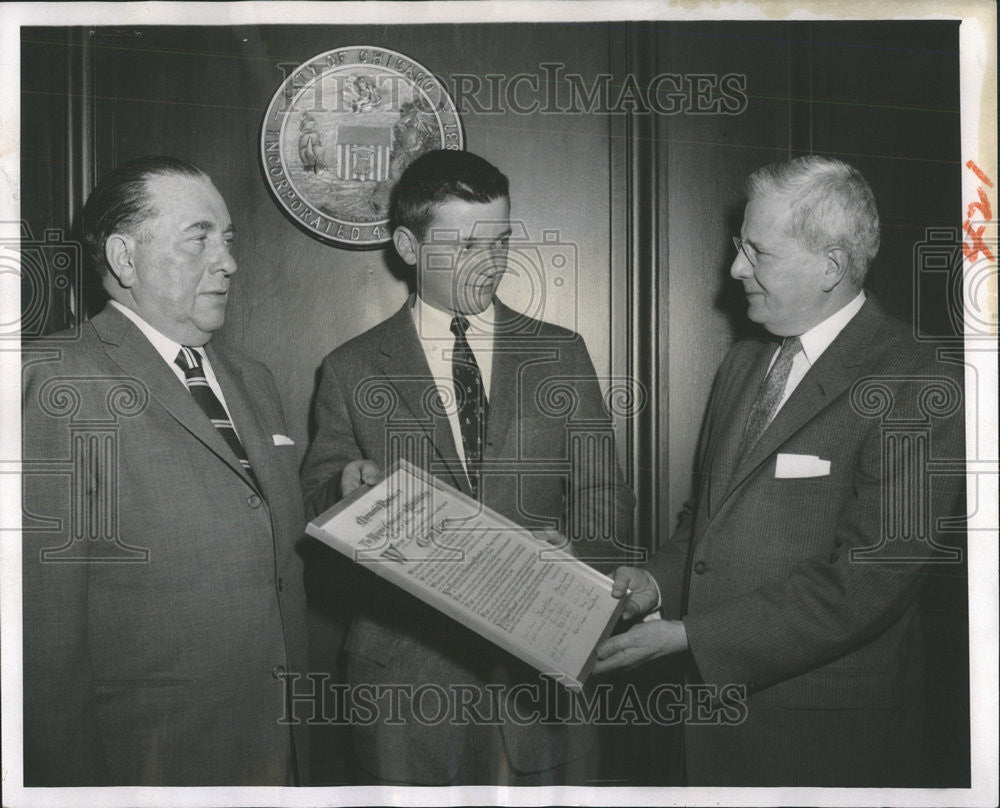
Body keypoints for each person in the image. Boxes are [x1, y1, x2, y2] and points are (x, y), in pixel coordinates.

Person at [594, 155, 966, 787]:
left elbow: (865, 586)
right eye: (740, 246)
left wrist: (690, 637)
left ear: (831, 266)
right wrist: (656, 583)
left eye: (756, 252)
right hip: (710, 730)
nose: (735, 269)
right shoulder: (742, 364)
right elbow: (705, 524)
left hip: (826, 743)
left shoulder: (918, 381)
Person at [301, 148, 636, 785]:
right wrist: (343, 489)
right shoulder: (350, 368)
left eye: (501, 241)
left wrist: (573, 555)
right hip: (403, 688)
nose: (490, 264)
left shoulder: (560, 354)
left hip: (540, 687)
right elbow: (316, 498)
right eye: (464, 246)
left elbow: (605, 494)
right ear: (407, 245)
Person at [21, 157, 309, 786]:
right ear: (124, 259)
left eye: (227, 239)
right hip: (153, 767)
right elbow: (39, 647)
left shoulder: (253, 379)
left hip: (283, 750)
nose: (228, 261)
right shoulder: (52, 381)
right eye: (198, 237)